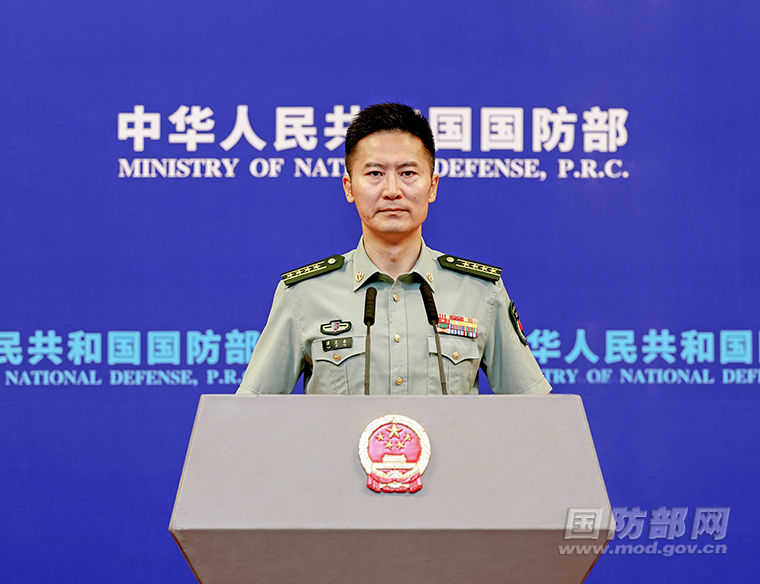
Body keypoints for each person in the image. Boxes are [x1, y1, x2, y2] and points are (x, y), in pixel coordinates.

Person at [236, 103, 551, 396]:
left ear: (432, 186)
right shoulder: (304, 295)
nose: (392, 190)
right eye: (375, 173)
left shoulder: (479, 292)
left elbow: (536, 412)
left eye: (408, 173)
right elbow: (250, 416)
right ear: (349, 187)